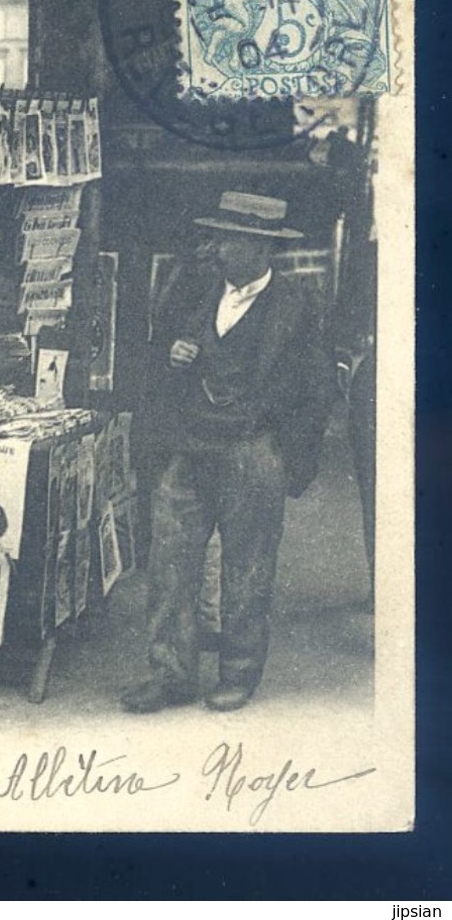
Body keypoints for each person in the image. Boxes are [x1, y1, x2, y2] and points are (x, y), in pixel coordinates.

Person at [121, 191, 330, 715]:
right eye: (215, 236)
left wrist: (286, 461)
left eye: (228, 239)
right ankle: (170, 673)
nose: (215, 247)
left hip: (252, 449)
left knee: (248, 567)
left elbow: (317, 389)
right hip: (190, 445)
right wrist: (173, 356)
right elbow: (155, 350)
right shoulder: (193, 288)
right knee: (169, 559)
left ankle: (237, 673)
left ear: (260, 247)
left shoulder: (298, 306)